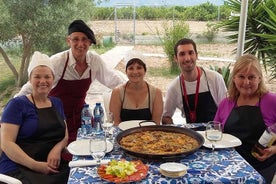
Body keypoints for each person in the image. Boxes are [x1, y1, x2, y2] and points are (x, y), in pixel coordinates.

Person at [15, 20, 125, 160]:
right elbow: (30, 87)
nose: (80, 44)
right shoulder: (58, 61)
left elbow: (115, 81)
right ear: (68, 41)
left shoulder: (94, 61)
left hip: (83, 118)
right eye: (76, 39)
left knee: (92, 151)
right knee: (63, 158)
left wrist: (135, 88)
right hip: (56, 119)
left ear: (90, 42)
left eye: (85, 39)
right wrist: (10, 109)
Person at [0, 51, 70, 184]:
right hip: (19, 169)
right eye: (37, 76)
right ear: (30, 79)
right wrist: (35, 165)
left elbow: (65, 135)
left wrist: (57, 149)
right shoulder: (17, 105)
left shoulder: (57, 102)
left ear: (53, 79)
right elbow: (6, 143)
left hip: (50, 165)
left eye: (47, 77)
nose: (43, 81)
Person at [214, 54, 276, 183]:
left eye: (251, 77)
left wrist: (274, 149)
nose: (246, 82)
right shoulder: (226, 103)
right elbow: (215, 134)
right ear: (234, 78)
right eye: (241, 76)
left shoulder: (271, 101)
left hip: (260, 169)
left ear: (259, 78)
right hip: (228, 168)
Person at [162, 38, 227, 124]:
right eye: (182, 54)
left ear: (196, 55)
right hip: (191, 136)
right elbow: (166, 117)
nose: (187, 58)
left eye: (190, 53)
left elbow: (226, 111)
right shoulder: (174, 87)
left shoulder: (215, 78)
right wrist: (176, 134)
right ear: (176, 58)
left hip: (215, 134)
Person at [109, 51, 163, 125]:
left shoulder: (156, 93)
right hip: (123, 135)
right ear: (126, 71)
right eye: (131, 68)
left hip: (149, 135)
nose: (135, 72)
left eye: (139, 68)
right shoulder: (117, 92)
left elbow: (156, 124)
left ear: (145, 70)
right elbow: (116, 123)